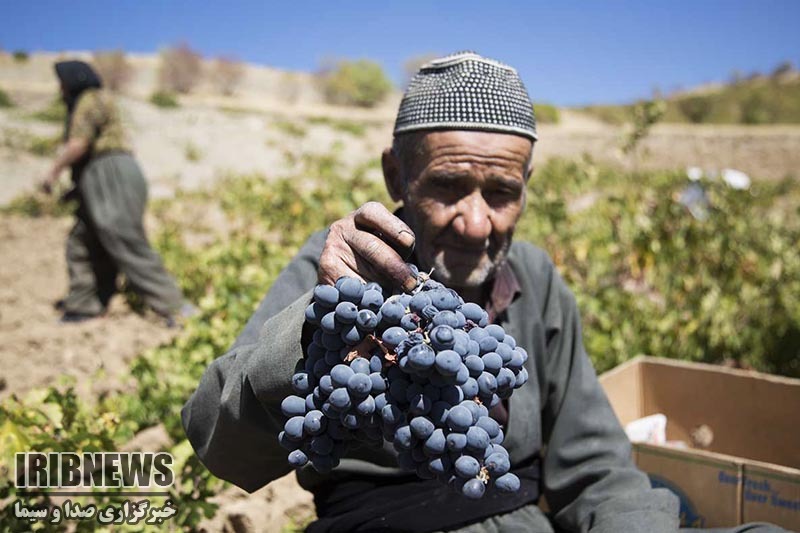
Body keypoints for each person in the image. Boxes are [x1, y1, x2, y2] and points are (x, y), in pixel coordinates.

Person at [182, 53, 785, 532]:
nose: (477, 222)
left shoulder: (536, 277)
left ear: (526, 184)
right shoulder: (340, 272)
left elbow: (597, 468)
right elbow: (214, 434)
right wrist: (318, 327)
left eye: (501, 192)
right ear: (396, 174)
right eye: (448, 185)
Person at [41, 60, 187, 325]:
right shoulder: (91, 102)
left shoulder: (89, 99)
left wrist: (52, 173)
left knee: (123, 237)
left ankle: (174, 306)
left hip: (110, 172)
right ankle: (85, 304)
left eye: (62, 83)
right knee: (83, 240)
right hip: (100, 175)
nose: (60, 90)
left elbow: (79, 144)